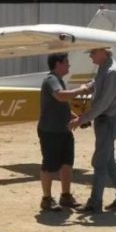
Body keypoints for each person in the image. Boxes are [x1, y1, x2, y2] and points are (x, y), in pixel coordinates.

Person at [73, 47, 116, 213]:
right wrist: (86, 87)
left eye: (93, 52)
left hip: (108, 121)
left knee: (100, 162)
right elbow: (98, 84)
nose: (90, 55)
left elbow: (102, 103)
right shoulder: (105, 68)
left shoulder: (111, 72)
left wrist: (81, 119)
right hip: (105, 121)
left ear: (104, 52)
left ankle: (95, 202)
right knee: (108, 161)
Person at [37, 53, 83, 212]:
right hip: (50, 131)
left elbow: (59, 104)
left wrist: (71, 116)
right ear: (58, 64)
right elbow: (60, 97)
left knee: (66, 163)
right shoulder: (51, 80)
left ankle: (66, 196)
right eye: (66, 63)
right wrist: (82, 89)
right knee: (49, 165)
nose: (69, 66)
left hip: (63, 129)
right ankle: (47, 199)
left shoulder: (59, 80)